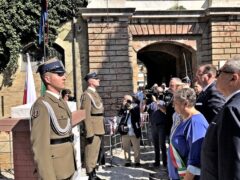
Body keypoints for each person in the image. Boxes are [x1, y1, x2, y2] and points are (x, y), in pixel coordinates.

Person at [30, 57, 76, 180]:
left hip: (68, 165)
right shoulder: (42, 105)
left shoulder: (61, 101)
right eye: (59, 74)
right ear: (47, 78)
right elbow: (40, 147)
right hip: (56, 170)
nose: (64, 77)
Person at [201, 57, 240, 180]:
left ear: (234, 78)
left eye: (219, 73)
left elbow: (233, 161)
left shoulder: (232, 109)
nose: (216, 77)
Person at [168, 88, 208, 180]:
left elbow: (196, 159)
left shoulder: (196, 122)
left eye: (175, 103)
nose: (173, 105)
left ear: (185, 103)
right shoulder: (185, 119)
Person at [80, 72, 105, 180]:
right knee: (91, 151)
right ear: (90, 81)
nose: (98, 80)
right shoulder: (86, 95)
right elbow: (85, 114)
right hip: (93, 129)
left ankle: (93, 172)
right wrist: (89, 131)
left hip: (98, 127)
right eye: (96, 78)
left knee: (95, 152)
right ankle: (90, 174)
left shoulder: (95, 93)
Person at [117, 95, 141, 167]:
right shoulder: (123, 108)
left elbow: (137, 117)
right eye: (124, 100)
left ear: (130, 100)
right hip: (125, 131)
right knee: (126, 147)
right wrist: (122, 107)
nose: (125, 101)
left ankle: (137, 161)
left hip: (134, 130)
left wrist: (131, 109)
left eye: (126, 100)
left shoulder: (136, 107)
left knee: (136, 148)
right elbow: (119, 115)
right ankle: (127, 161)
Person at [149, 100, 167, 168]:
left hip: (161, 126)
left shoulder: (163, 102)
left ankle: (165, 163)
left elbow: (165, 110)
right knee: (156, 145)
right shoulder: (151, 103)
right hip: (154, 126)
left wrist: (158, 104)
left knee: (162, 145)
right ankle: (157, 162)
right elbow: (143, 110)